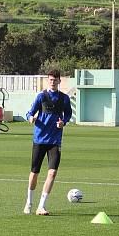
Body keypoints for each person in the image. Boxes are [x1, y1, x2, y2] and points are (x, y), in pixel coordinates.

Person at [23, 69, 72, 216]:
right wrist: (31, 118)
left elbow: (68, 113)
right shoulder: (41, 96)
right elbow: (30, 112)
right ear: (48, 80)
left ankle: (41, 206)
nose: (53, 82)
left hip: (55, 141)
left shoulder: (64, 98)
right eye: (50, 79)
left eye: (55, 79)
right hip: (39, 139)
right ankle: (29, 202)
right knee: (34, 173)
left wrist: (63, 122)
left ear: (59, 81)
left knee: (52, 173)